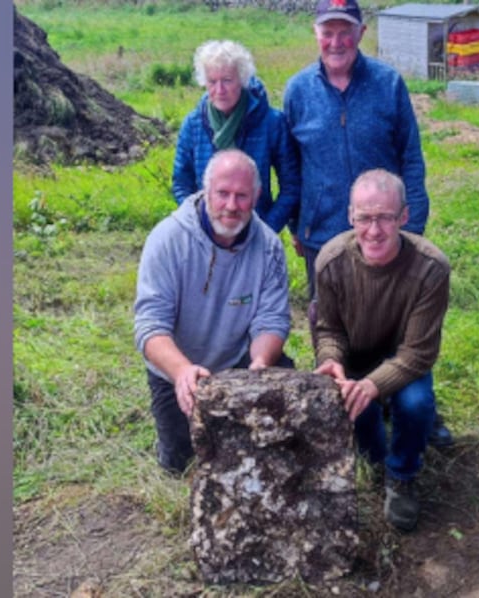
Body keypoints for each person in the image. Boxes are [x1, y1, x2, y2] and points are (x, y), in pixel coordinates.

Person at [283, 0, 453, 447]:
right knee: (333, 325)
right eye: (328, 31)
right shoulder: (298, 90)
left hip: (385, 228)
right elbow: (292, 167)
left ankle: (417, 410)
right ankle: (352, 403)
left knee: (403, 322)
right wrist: (297, 224)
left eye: (345, 31)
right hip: (323, 234)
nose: (336, 41)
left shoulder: (388, 84)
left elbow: (411, 157)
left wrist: (410, 226)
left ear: (361, 33)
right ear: (316, 34)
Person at [134, 149, 293, 475]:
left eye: (242, 196)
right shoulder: (167, 240)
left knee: (273, 441)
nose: (231, 206)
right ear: (206, 192)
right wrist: (182, 373)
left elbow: (272, 319)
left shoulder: (269, 247)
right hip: (176, 369)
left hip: (238, 361)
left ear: (257, 196)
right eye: (222, 194)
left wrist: (261, 363)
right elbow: (150, 325)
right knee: (182, 466)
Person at [313, 169, 450, 531]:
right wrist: (330, 361)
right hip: (354, 359)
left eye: (385, 218)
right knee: (364, 433)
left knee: (415, 404)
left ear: (404, 216)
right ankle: (377, 459)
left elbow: (417, 354)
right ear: (350, 216)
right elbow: (328, 330)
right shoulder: (330, 261)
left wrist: (373, 387)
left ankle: (403, 474)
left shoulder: (431, 267)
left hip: (403, 360)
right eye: (364, 218)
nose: (374, 230)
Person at [172, 39, 300, 233]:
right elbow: (181, 183)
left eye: (227, 80)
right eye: (212, 82)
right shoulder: (193, 124)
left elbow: (291, 184)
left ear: (241, 79)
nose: (219, 90)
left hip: (256, 230)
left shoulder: (272, 122)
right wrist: (199, 224)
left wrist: (267, 229)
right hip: (206, 233)